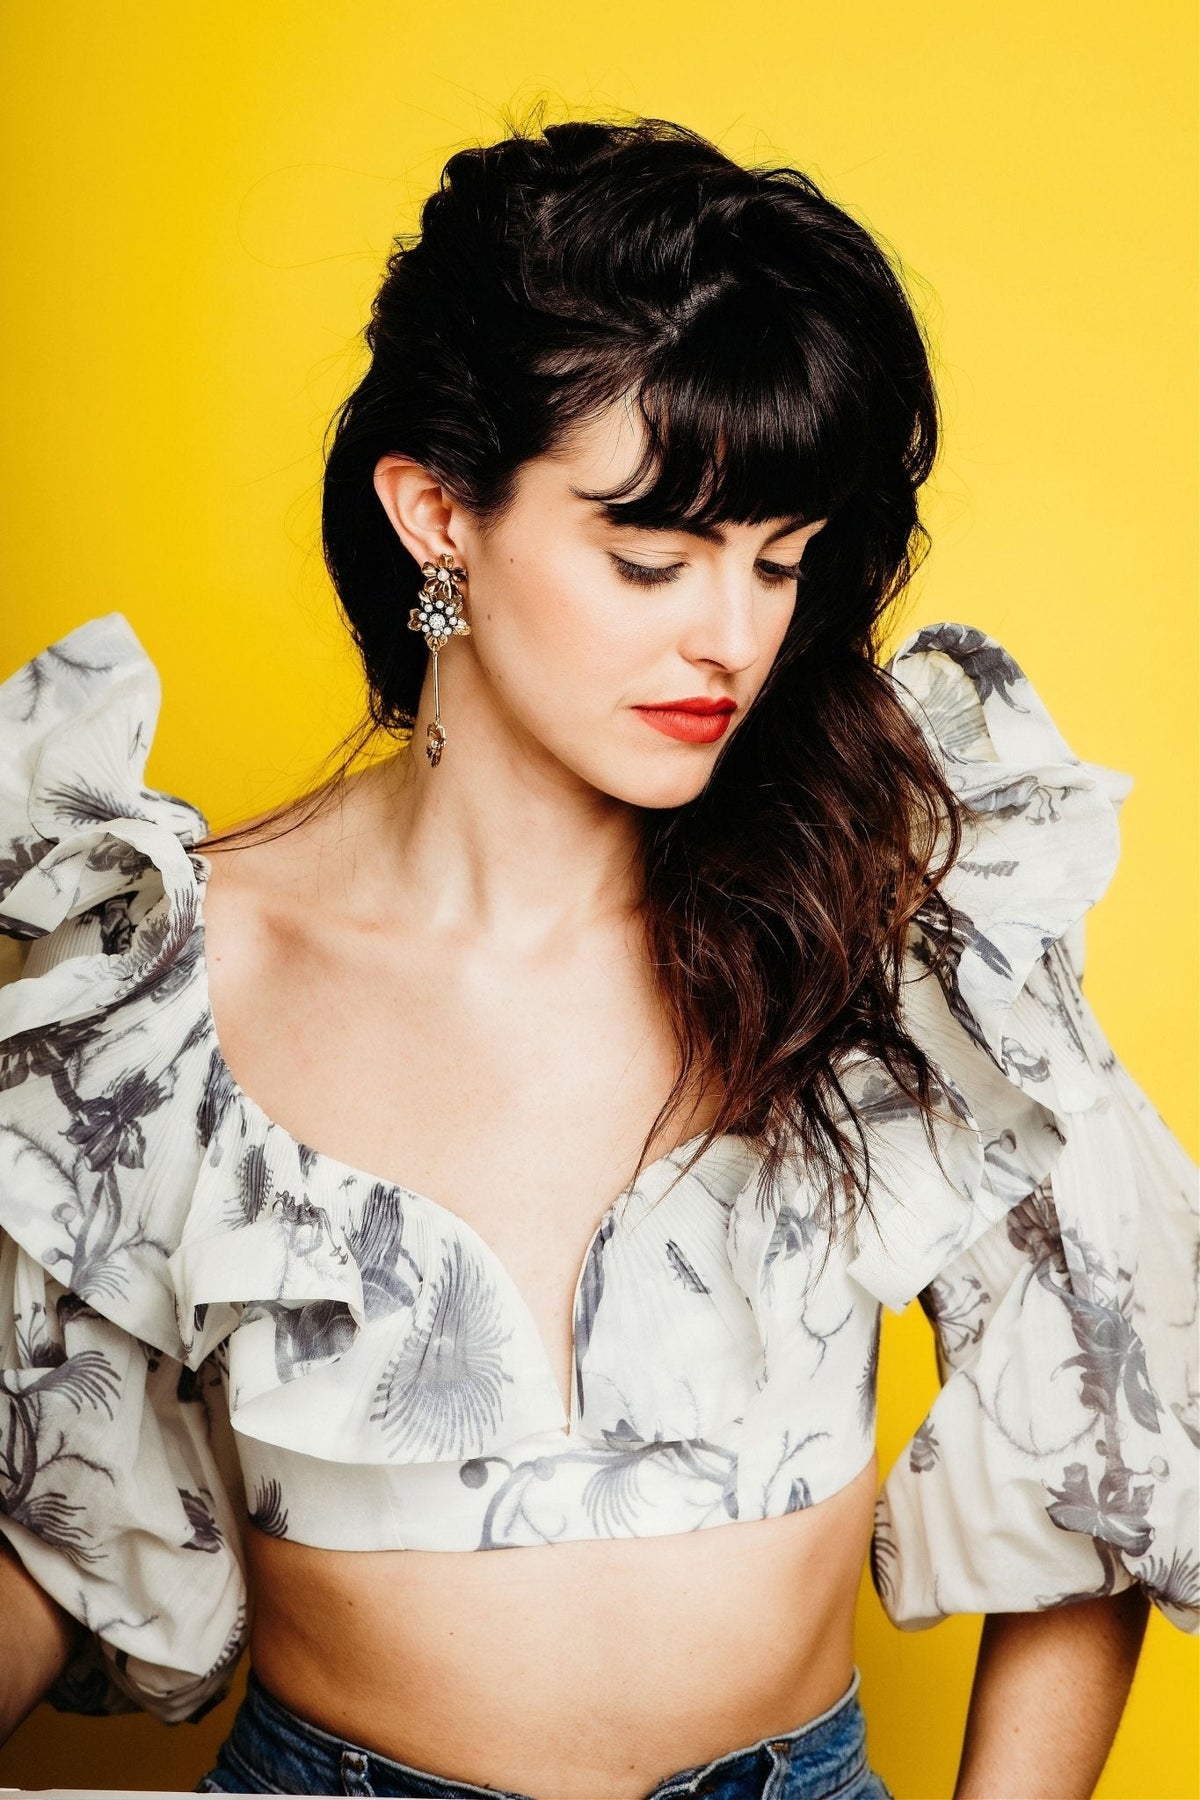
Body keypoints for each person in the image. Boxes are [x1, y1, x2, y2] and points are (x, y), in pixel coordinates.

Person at [0, 115, 1195, 1800]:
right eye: (651, 559)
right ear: (437, 515)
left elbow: (1105, 1421)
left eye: (779, 562)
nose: (734, 637)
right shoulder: (165, 974)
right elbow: (55, 1510)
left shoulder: (884, 916)